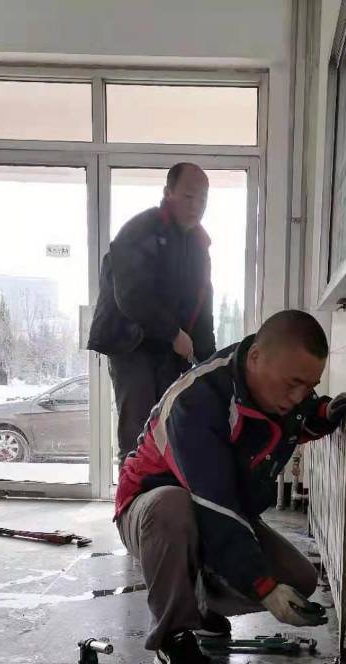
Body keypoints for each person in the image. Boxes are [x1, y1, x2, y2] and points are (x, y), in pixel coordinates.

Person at [115, 309, 346, 664]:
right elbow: (215, 507)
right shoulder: (197, 401)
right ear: (255, 357)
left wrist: (325, 412)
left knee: (299, 579)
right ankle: (173, 637)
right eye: (294, 384)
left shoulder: (274, 388)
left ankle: (200, 605)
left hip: (211, 508)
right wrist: (263, 587)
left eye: (309, 386)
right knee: (174, 505)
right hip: (150, 510)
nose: (299, 396)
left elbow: (298, 416)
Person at [88, 163, 216, 466]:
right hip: (131, 344)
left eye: (202, 199)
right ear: (168, 193)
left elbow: (202, 306)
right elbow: (131, 294)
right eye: (188, 196)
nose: (196, 206)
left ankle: (159, 494)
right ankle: (132, 496)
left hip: (169, 351)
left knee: (167, 428)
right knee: (138, 433)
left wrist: (211, 364)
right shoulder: (140, 230)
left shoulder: (198, 245)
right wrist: (174, 333)